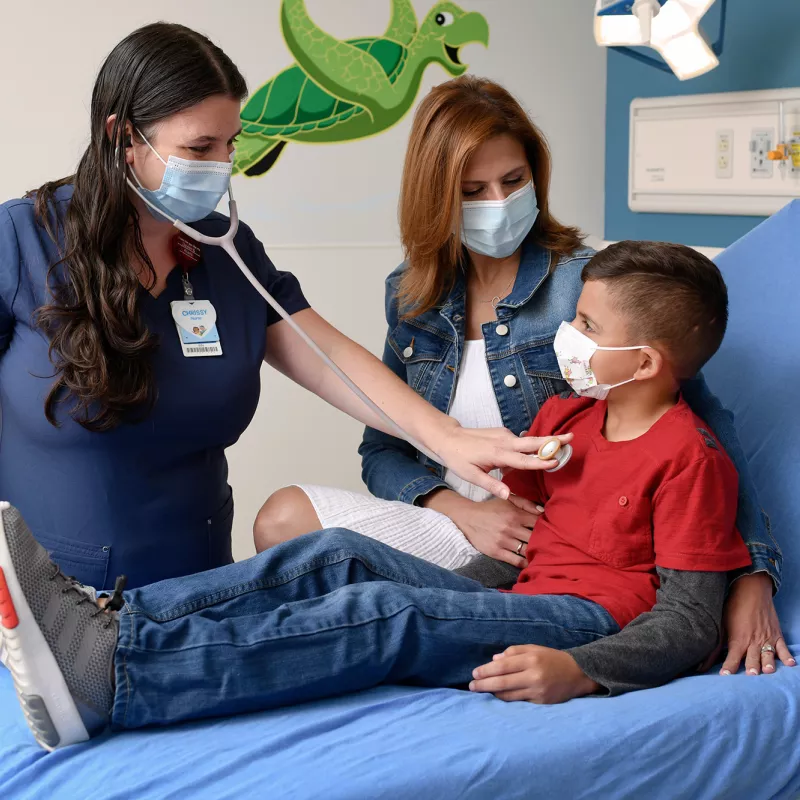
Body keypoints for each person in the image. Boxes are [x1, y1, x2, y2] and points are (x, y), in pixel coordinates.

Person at [3, 240, 793, 753]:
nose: (569, 338)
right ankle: (110, 620)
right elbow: (521, 542)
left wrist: (582, 670)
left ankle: (123, 676)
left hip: (591, 618)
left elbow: (688, 622)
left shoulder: (691, 458)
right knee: (341, 556)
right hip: (519, 592)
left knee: (389, 613)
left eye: (587, 325)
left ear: (648, 361)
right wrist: (469, 580)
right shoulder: (567, 417)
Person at [0, 24, 566, 596]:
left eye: (231, 145)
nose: (222, 166)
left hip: (198, 589)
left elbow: (328, 357)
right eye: (200, 149)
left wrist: (447, 438)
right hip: (48, 595)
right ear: (122, 136)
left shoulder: (225, 251)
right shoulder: (21, 241)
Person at [254, 76, 785, 677]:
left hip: (538, 539)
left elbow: (703, 433)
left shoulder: (584, 288)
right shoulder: (412, 295)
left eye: (514, 181)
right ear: (437, 198)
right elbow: (382, 449)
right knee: (284, 522)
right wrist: (455, 505)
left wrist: (753, 577)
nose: (500, 203)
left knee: (376, 608)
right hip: (454, 523)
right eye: (473, 190)